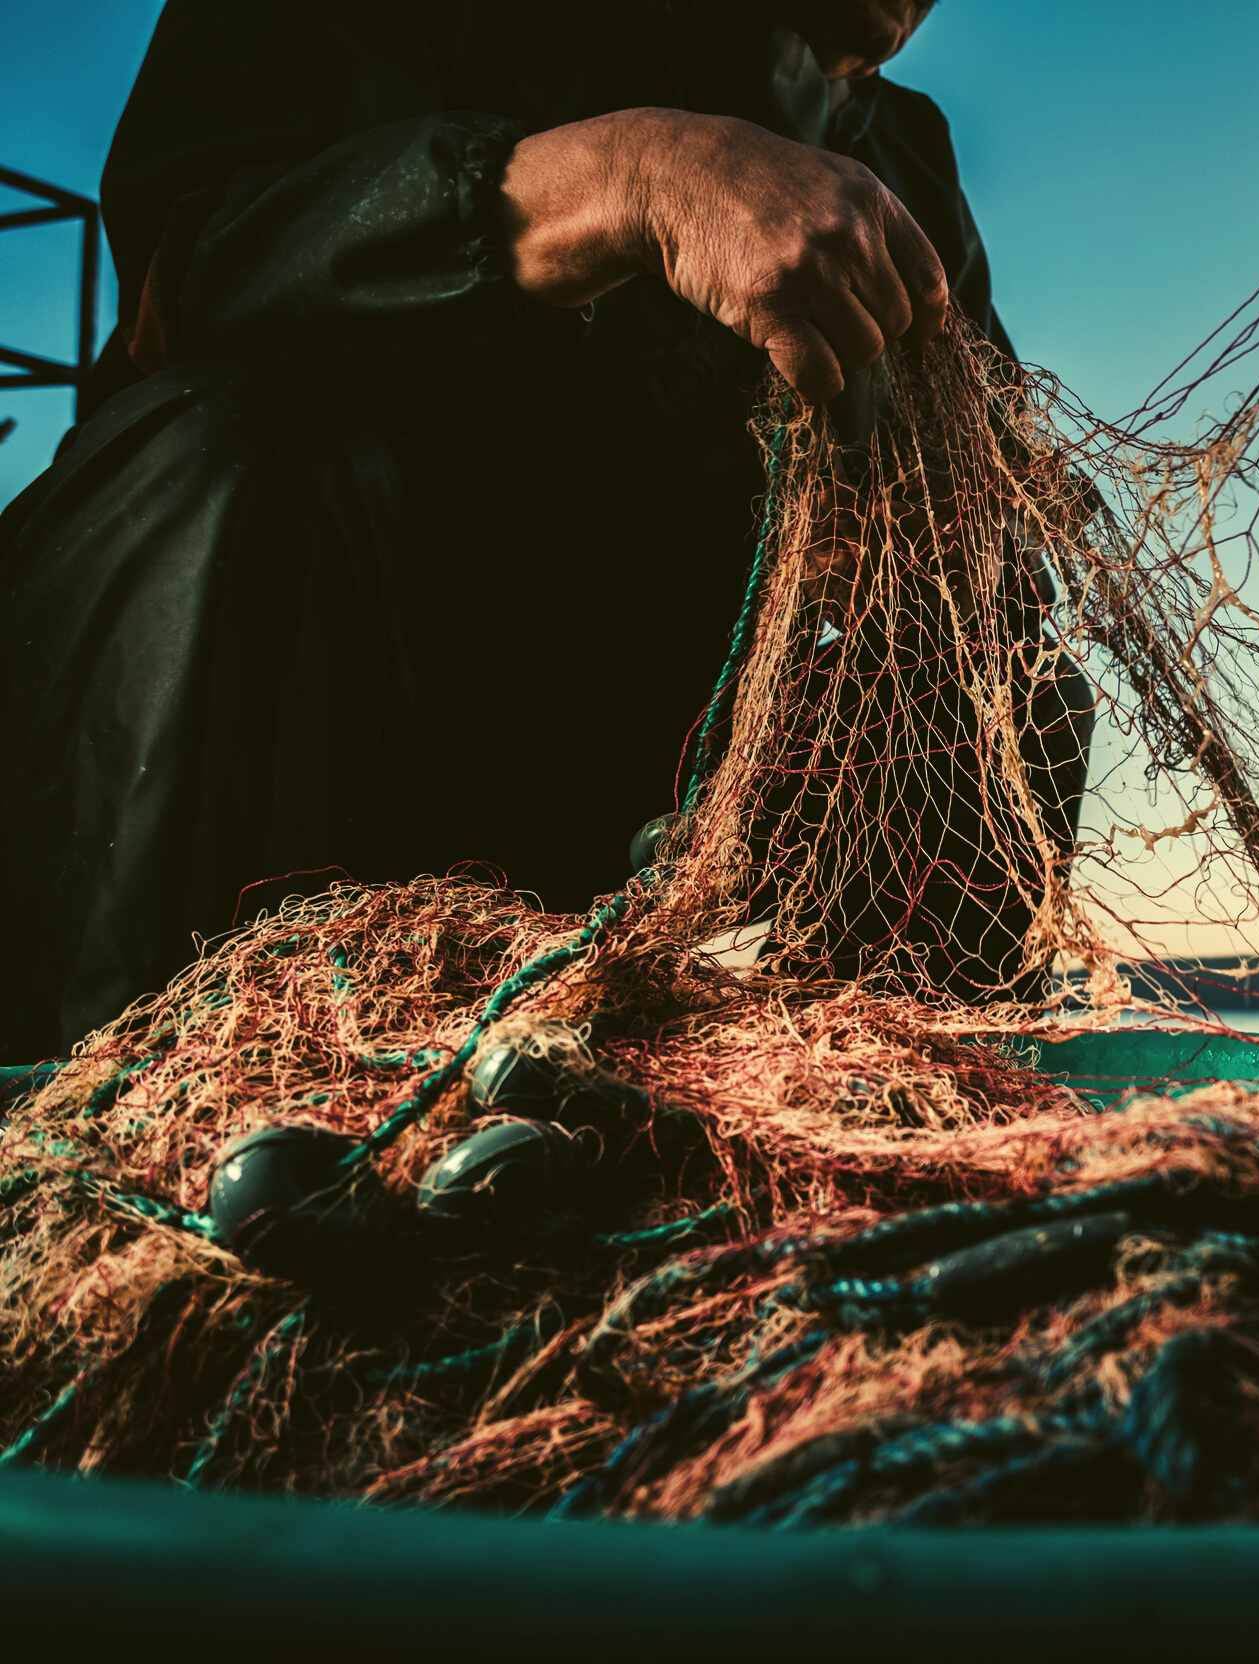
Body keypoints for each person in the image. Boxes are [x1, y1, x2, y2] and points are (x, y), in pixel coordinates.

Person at [0, 1, 1091, 1061]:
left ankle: (843, 1141)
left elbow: (988, 513)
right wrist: (629, 178)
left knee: (1007, 666)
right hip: (276, 783)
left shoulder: (905, 156)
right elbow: (197, 268)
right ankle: (132, 1116)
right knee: (234, 461)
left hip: (644, 840)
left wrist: (941, 531)